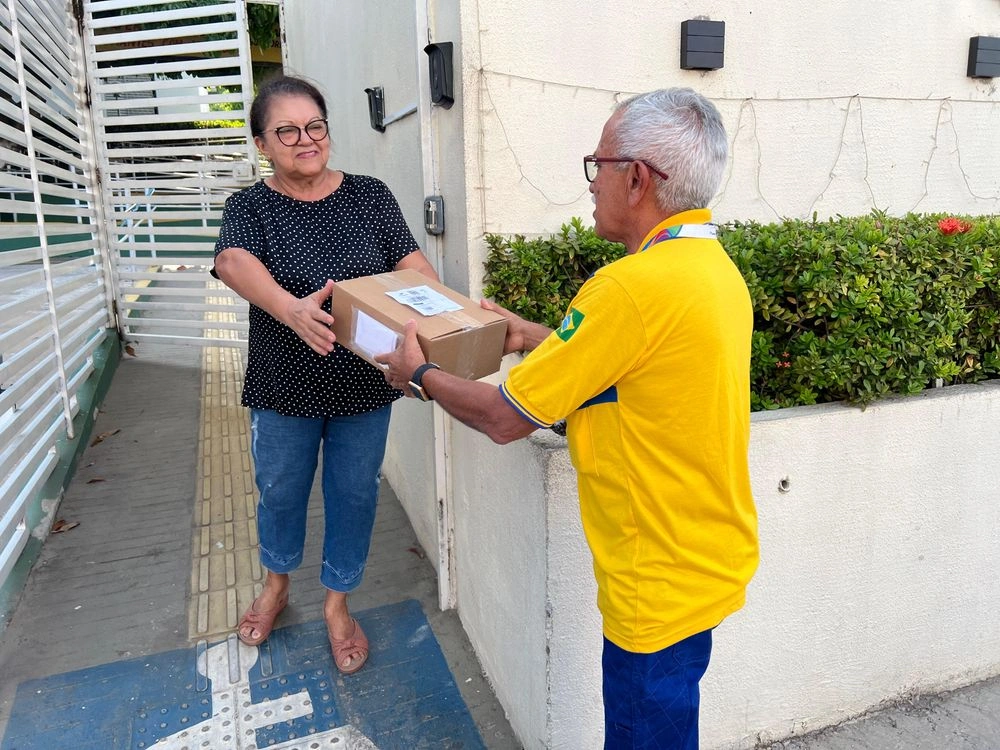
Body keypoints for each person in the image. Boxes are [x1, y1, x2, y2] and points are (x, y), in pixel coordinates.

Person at [376, 88, 758, 748]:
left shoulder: (628, 289)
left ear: (636, 178)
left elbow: (503, 418)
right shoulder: (711, 269)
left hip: (653, 583)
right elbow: (634, 366)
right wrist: (530, 335)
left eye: (598, 165)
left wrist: (418, 374)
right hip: (706, 558)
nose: (591, 185)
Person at [213, 75, 438, 675]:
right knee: (280, 490)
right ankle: (277, 583)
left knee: (353, 495)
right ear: (263, 143)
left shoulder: (370, 195)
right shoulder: (249, 205)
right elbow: (231, 261)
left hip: (365, 385)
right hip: (283, 384)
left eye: (315, 125)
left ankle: (338, 604)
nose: (304, 139)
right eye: (286, 130)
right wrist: (289, 309)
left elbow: (412, 266)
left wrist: (444, 311)